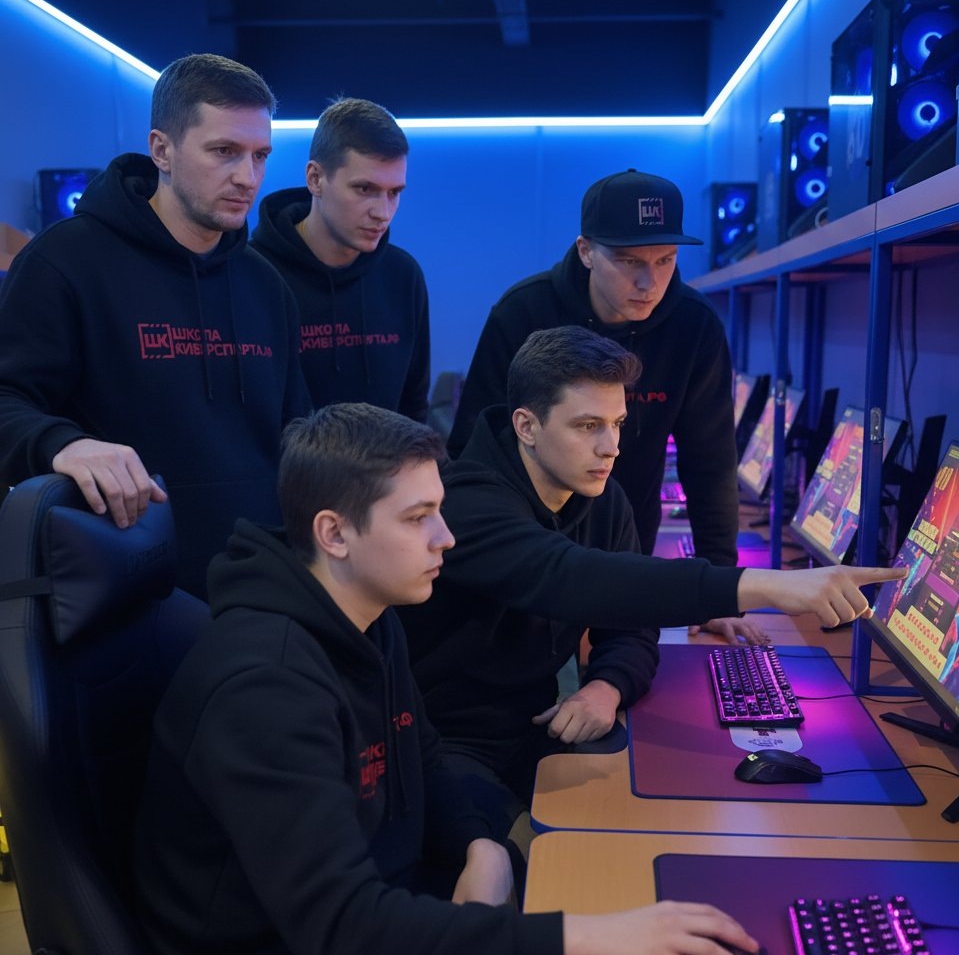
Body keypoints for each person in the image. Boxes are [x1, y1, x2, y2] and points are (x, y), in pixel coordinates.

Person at [134, 402, 764, 955]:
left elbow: (423, 757)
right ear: (334, 533)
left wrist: (477, 844)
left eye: (440, 510)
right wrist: (585, 937)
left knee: (611, 880)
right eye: (419, 518)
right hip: (297, 939)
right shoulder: (266, 686)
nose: (446, 538)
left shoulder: (367, 617)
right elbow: (343, 928)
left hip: (387, 899)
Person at [402, 327, 906, 838]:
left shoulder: (602, 499)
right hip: (440, 743)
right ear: (527, 426)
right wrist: (767, 585)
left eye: (617, 424)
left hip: (536, 726)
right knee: (512, 861)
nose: (611, 447)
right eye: (588, 426)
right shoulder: (465, 505)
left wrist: (607, 686)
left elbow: (630, 623)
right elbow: (572, 578)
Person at [0, 53, 310, 598]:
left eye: (260, 155)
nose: (248, 177)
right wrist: (63, 443)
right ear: (161, 150)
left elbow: (295, 431)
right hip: (121, 593)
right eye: (224, 151)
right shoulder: (66, 261)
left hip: (257, 586)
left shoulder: (265, 284)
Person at [447, 168, 737, 561]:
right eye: (629, 261)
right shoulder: (522, 311)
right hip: (526, 544)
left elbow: (711, 464)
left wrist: (721, 581)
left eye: (665, 260)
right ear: (586, 251)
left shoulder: (694, 324)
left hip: (630, 541)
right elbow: (473, 449)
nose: (649, 283)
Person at [252, 97, 431, 420]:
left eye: (394, 193)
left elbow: (414, 408)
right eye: (364, 189)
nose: (383, 212)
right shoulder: (254, 275)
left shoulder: (402, 276)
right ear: (315, 179)